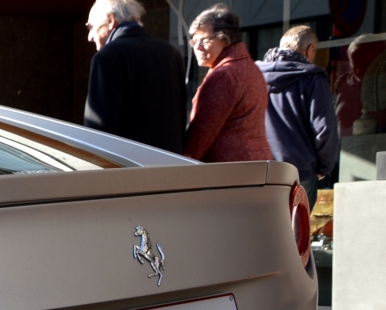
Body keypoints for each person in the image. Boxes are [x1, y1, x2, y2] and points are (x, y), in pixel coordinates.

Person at [83, 0, 187, 153]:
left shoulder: (108, 56)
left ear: (111, 20)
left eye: (90, 27)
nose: (89, 37)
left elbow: (98, 130)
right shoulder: (171, 52)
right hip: (170, 165)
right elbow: (180, 117)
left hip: (127, 167)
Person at [258, 25, 339, 205]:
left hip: (260, 171)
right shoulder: (312, 78)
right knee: (296, 232)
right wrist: (324, 167)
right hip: (299, 172)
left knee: (263, 232)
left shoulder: (255, 75)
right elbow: (325, 128)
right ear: (311, 49)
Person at [185, 5, 273, 163]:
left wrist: (181, 166)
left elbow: (201, 135)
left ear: (225, 38)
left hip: (226, 170)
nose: (197, 47)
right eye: (194, 41)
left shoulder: (224, 74)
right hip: (254, 164)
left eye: (204, 40)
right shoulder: (250, 68)